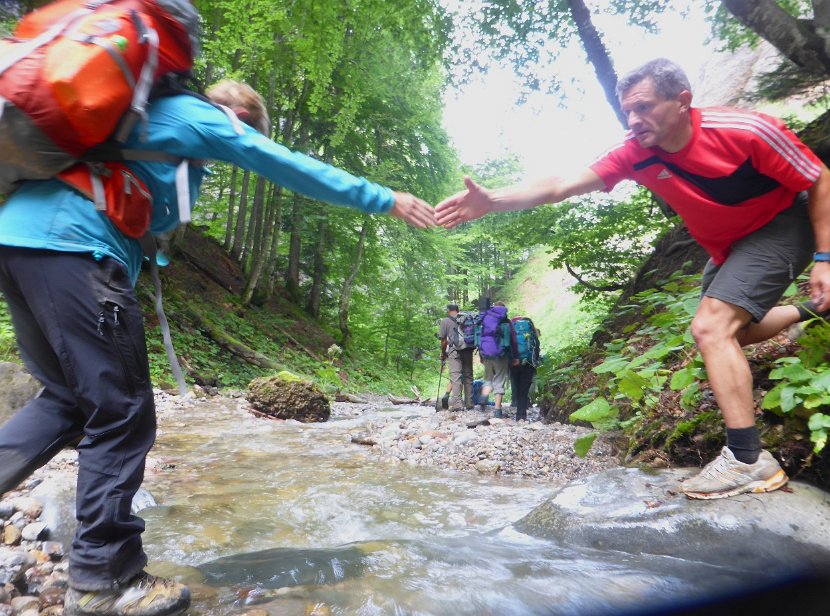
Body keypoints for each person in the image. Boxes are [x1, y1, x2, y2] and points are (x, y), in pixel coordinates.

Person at [0, 80, 435, 616]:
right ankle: (103, 580)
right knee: (122, 414)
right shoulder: (204, 117)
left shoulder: (144, 117)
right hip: (75, 249)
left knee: (68, 401)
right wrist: (386, 199)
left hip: (20, 242)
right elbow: (286, 163)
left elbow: (146, 206)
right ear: (242, 114)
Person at [436, 57, 830, 500]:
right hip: (729, 247)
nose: (634, 120)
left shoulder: (745, 131)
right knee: (733, 334)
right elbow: (562, 184)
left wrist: (824, 257)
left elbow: (818, 178)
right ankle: (810, 312)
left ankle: (747, 459)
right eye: (628, 112)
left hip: (781, 222)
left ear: (682, 101)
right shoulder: (635, 152)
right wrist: (493, 200)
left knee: (710, 327)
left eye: (643, 108)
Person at [477, 301, 515, 418]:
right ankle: (497, 410)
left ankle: (484, 396)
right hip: (501, 355)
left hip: (486, 353)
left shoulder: (485, 318)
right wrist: (514, 357)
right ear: (504, 310)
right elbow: (512, 340)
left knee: (488, 378)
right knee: (499, 380)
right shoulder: (505, 321)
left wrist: (481, 355)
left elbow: (480, 336)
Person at [438, 304, 475, 412]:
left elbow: (444, 340)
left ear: (448, 311)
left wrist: (444, 353)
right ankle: (469, 403)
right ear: (458, 310)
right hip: (468, 349)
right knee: (468, 376)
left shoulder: (445, 321)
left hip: (454, 351)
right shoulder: (468, 318)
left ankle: (458, 404)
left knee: (456, 376)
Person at [510, 318, 541, 421]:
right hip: (528, 363)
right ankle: (521, 415)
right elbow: (537, 347)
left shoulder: (513, 331)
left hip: (515, 363)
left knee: (518, 389)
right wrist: (535, 362)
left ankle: (519, 413)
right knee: (524, 390)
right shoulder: (532, 333)